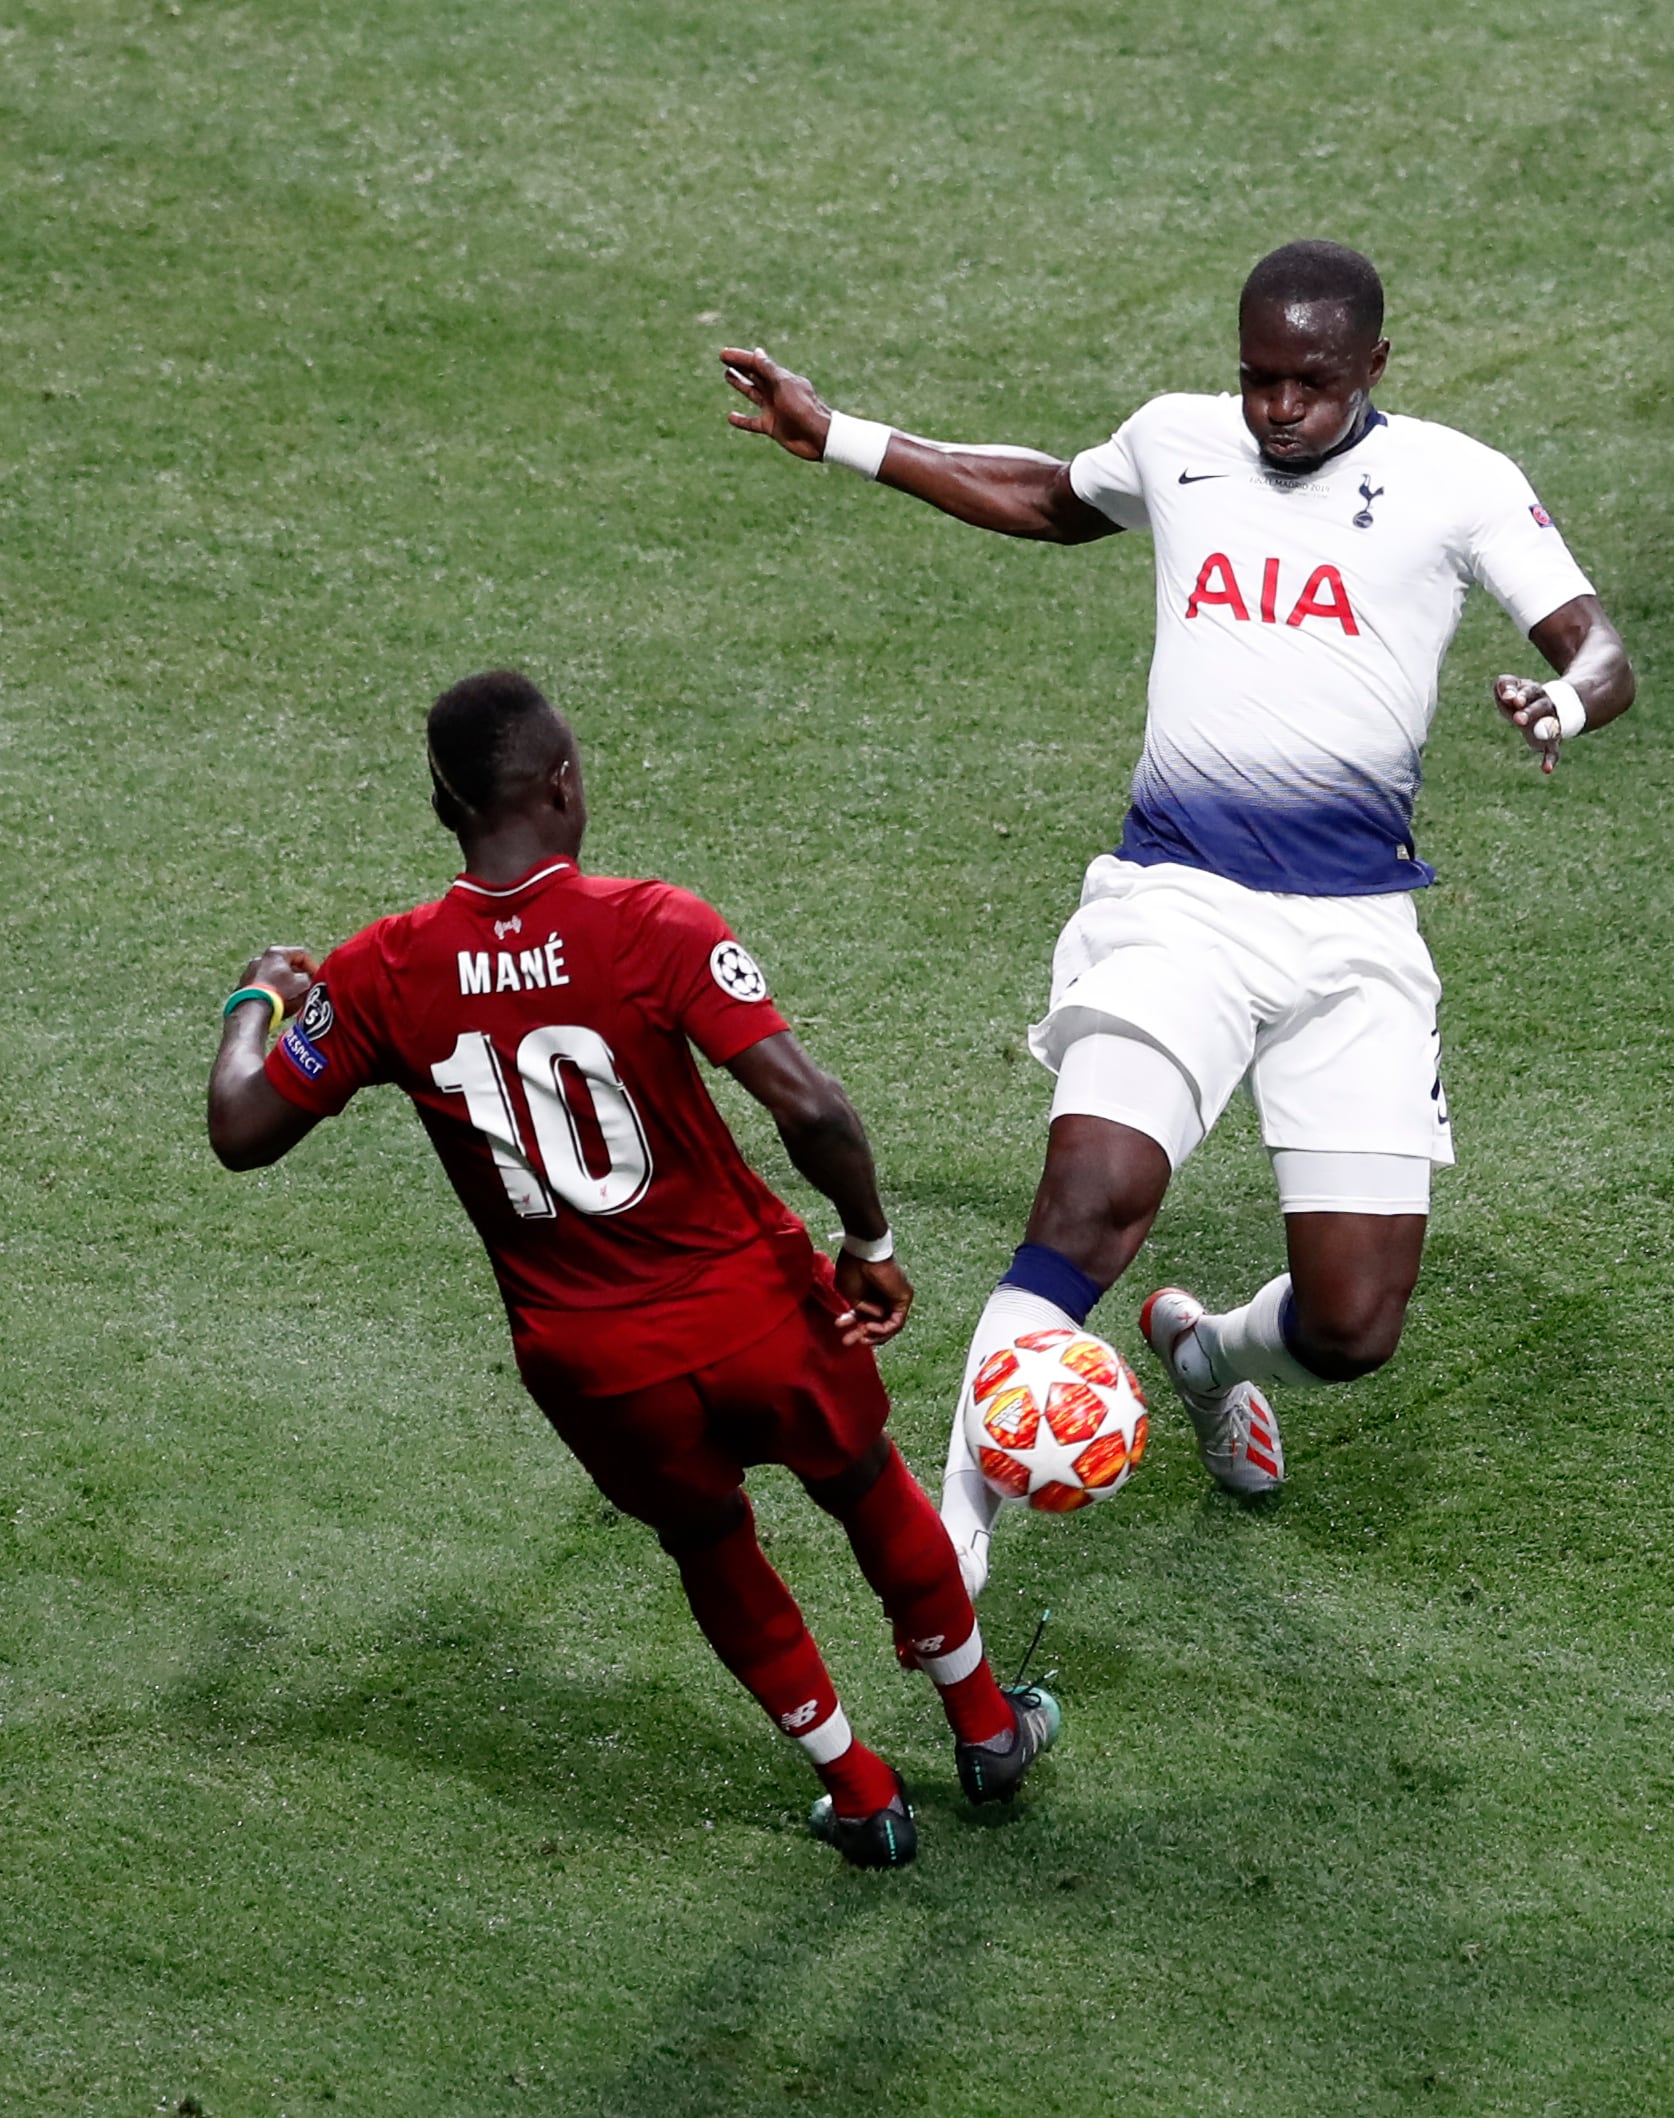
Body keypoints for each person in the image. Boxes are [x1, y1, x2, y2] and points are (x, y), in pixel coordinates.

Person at [721, 238, 1634, 1594]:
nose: (1278, 408)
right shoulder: (1180, 440)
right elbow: (1046, 497)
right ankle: (951, 1547)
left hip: (1356, 937)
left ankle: (1204, 1354)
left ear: (1374, 365)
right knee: (1087, 1203)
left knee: (1352, 1325)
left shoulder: (1459, 483)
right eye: (1258, 377)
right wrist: (841, 434)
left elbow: (1598, 645)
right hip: (1178, 904)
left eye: (1310, 382)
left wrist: (1561, 700)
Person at [207, 670, 1060, 1866]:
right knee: (866, 1483)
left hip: (593, 1360)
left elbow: (241, 1129)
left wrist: (257, 1000)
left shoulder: (380, 971)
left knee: (711, 1545)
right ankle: (986, 1729)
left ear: (444, 808)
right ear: (563, 785)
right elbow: (812, 1109)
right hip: (751, 1307)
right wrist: (869, 1241)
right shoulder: (653, 923)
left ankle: (863, 1794)